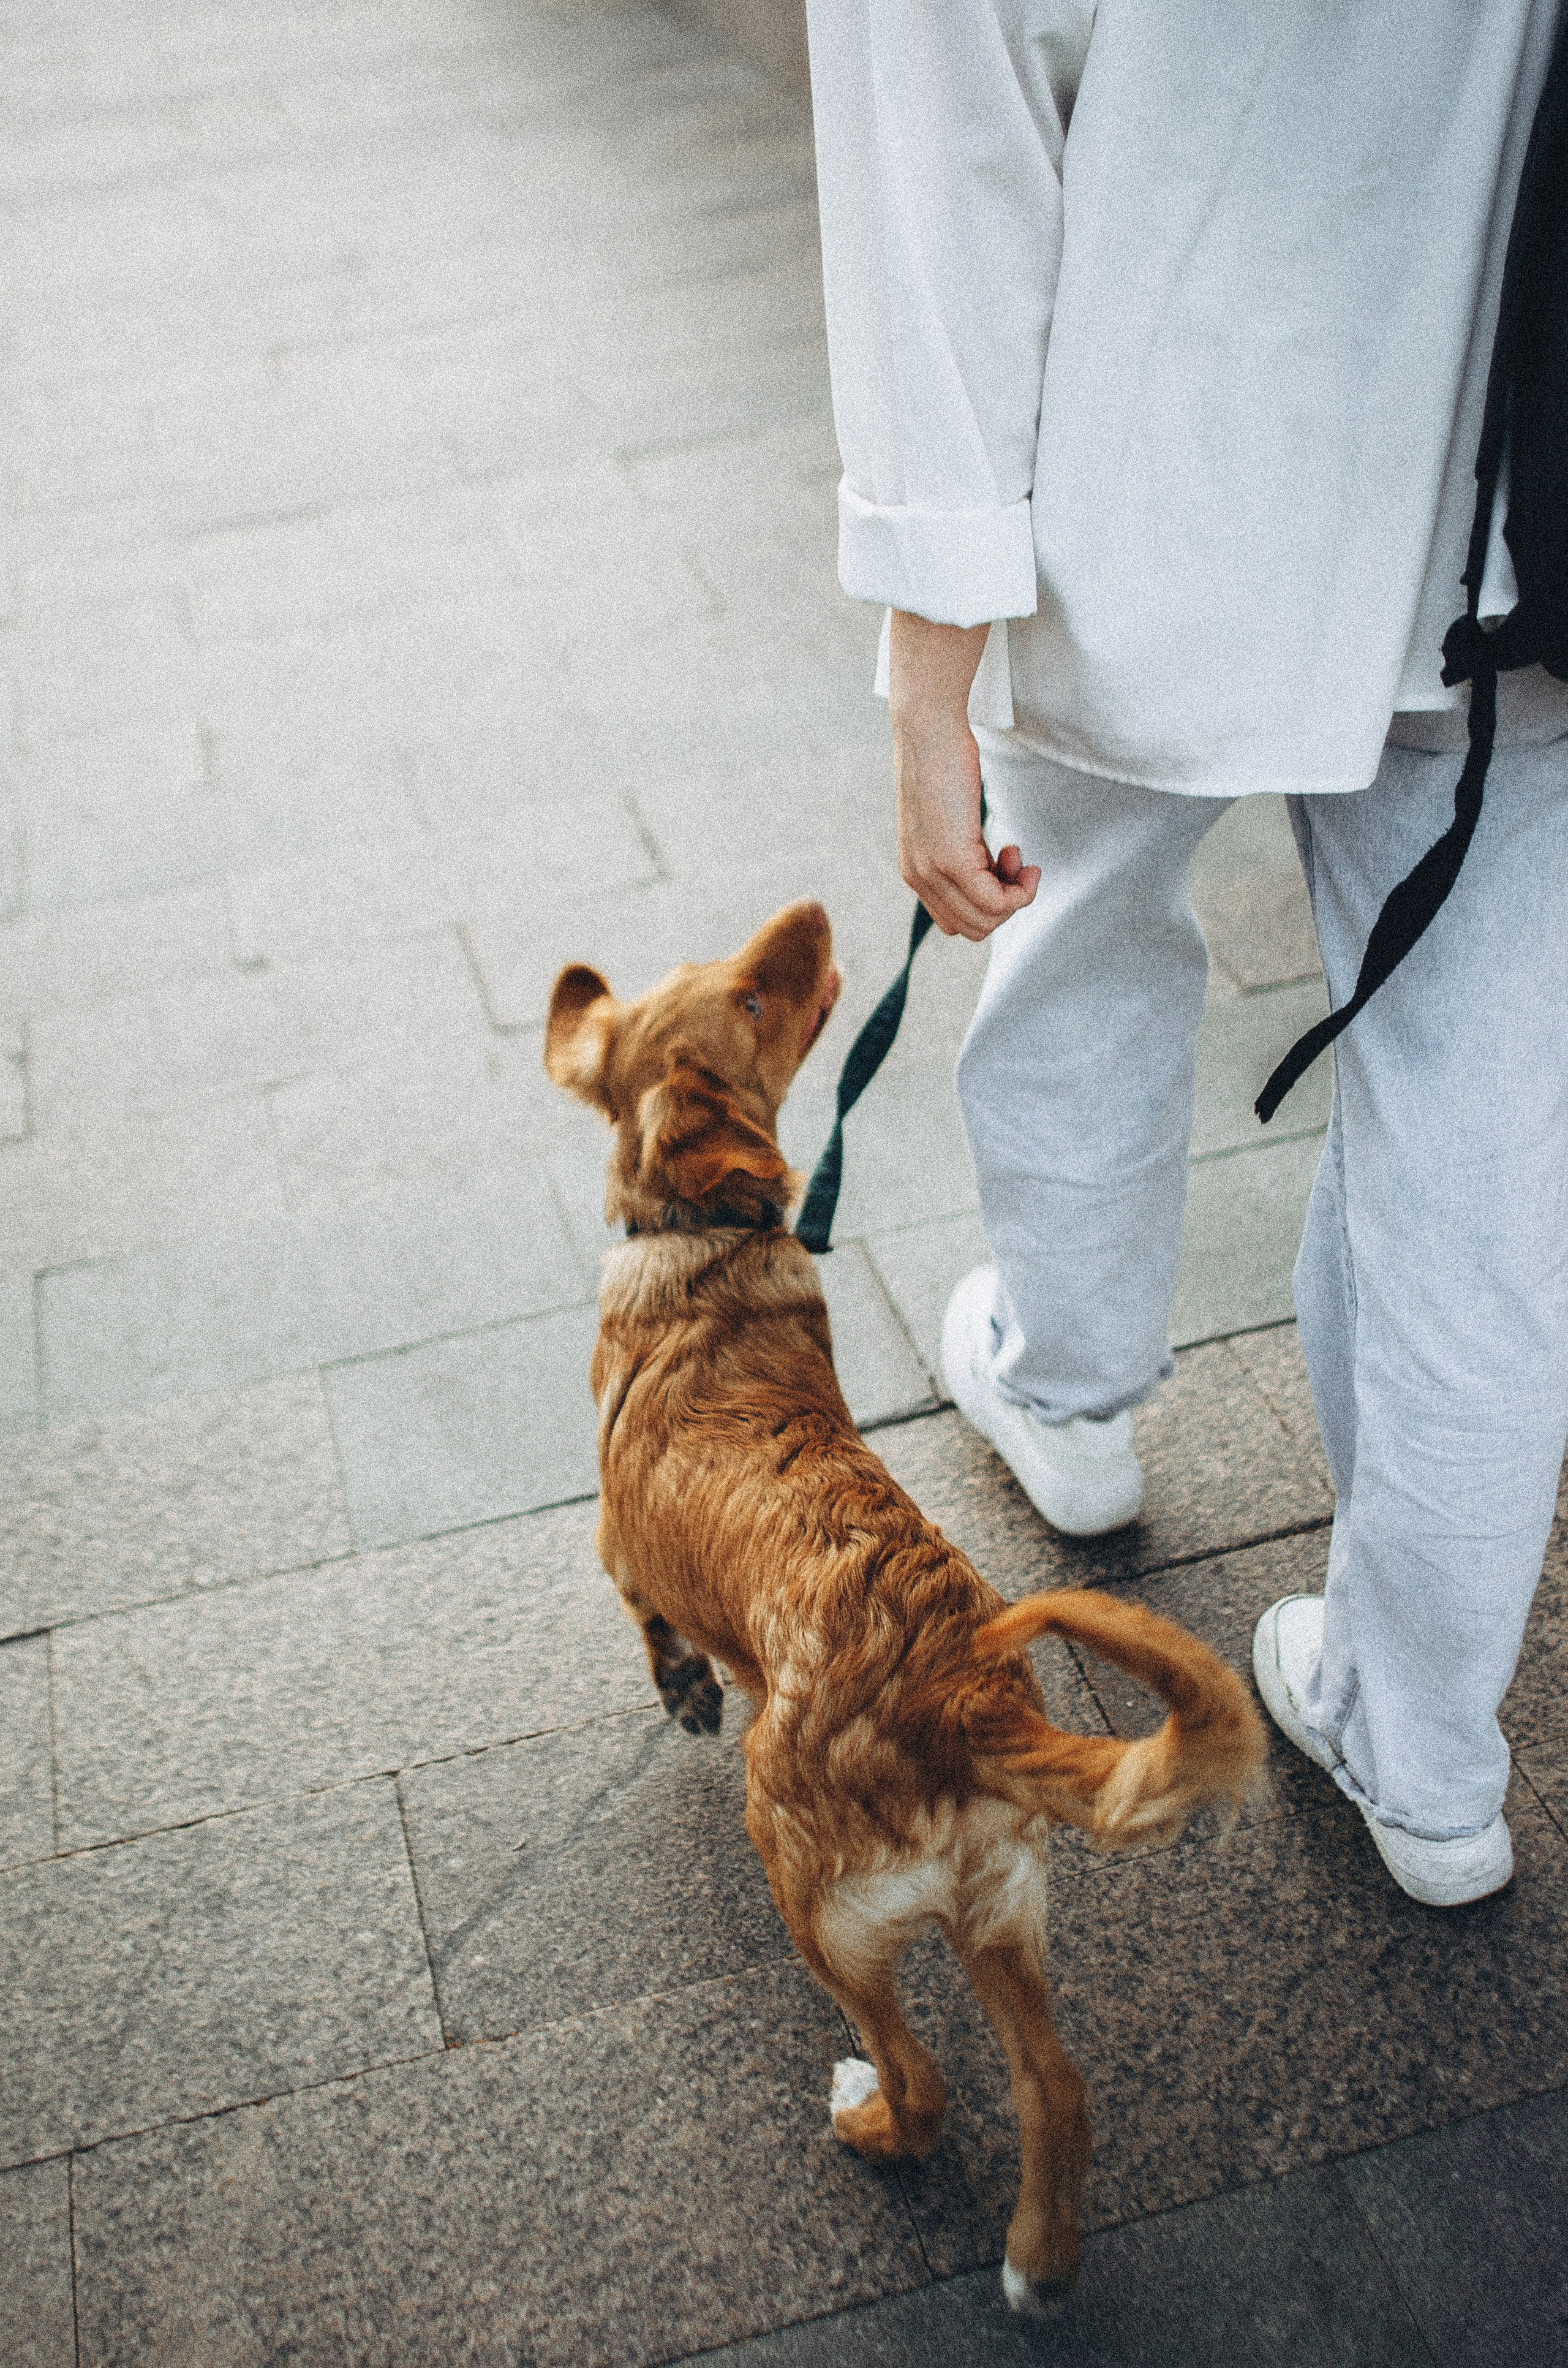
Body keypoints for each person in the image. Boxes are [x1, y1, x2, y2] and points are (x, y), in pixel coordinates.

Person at [802, 0, 1568, 1907]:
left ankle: (1069, 1389)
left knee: (1072, 919)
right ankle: (1429, 1751)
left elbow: (951, 158)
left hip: (1147, 470)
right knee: (1483, 1149)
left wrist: (928, 663)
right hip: (1501, 497)